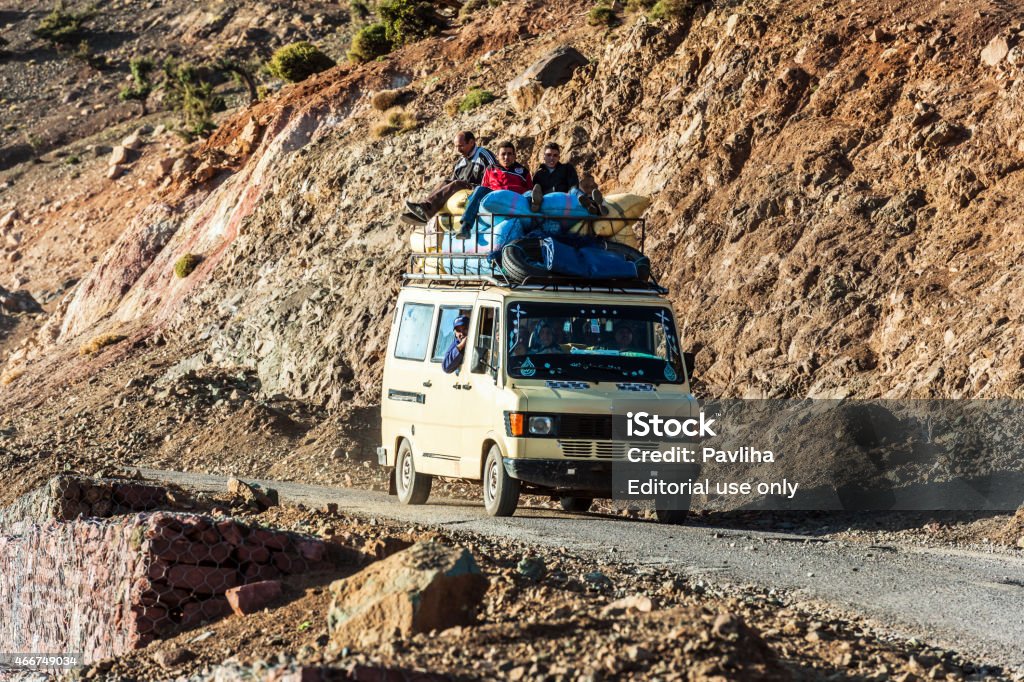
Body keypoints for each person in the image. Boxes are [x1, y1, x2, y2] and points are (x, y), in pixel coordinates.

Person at [405, 132, 496, 223]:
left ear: (471, 142)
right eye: (456, 146)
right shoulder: (460, 162)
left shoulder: (483, 155)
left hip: (480, 190)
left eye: (461, 146)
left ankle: (425, 211)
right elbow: (451, 182)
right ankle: (424, 210)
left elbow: (497, 175)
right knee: (445, 182)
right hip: (463, 190)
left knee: (456, 183)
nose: (458, 150)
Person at [457, 140, 532, 239]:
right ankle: (466, 226)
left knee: (530, 194)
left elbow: (529, 188)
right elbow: (485, 186)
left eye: (509, 154)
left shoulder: (523, 171)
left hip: (515, 198)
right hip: (494, 195)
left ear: (514, 156)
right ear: (497, 156)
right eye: (503, 154)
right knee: (480, 189)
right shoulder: (490, 169)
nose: (506, 157)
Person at [531, 142, 604, 215]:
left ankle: (592, 206)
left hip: (566, 197)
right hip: (548, 200)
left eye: (555, 155)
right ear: (544, 156)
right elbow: (536, 192)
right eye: (549, 155)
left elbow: (573, 185)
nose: (552, 158)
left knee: (575, 191)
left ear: (559, 157)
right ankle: (535, 205)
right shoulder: (538, 174)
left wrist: (569, 192)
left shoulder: (567, 168)